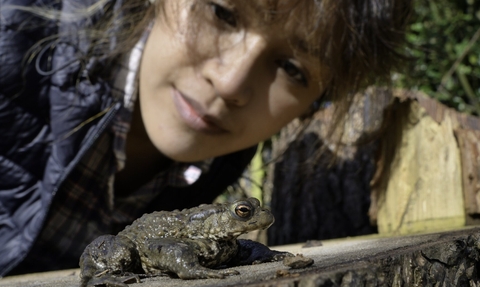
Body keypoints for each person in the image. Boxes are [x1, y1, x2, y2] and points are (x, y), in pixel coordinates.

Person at [0, 0, 412, 276]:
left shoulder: (223, 154)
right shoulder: (11, 47)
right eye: (223, 13)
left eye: (291, 67)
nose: (231, 82)